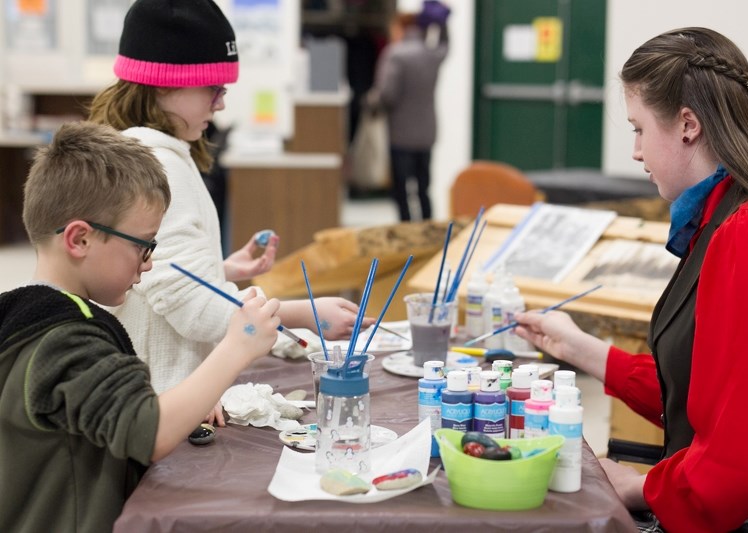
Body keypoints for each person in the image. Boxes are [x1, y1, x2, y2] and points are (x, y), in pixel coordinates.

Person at [514, 27, 748, 532]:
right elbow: (705, 392)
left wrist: (640, 485)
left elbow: (740, 470)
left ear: (688, 125)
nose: (636, 152)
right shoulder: (727, 218)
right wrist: (578, 347)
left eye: (639, 129)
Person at [88, 0, 373, 415]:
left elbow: (157, 278)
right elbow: (193, 309)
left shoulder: (148, 152)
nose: (220, 104)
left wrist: (217, 270)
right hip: (163, 401)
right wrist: (302, 313)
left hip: (166, 393)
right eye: (213, 89)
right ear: (165, 83)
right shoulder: (158, 166)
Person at [0, 121, 281, 532]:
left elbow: (110, 411)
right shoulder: (66, 339)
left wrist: (185, 398)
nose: (148, 263)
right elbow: (149, 433)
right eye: (143, 245)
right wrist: (239, 345)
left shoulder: (27, 316)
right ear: (79, 240)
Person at [367, 1, 449, 221]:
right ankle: (429, 232)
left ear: (400, 27)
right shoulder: (431, 54)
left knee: (402, 189)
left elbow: (388, 95)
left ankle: (406, 232)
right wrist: (441, 24)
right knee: (423, 188)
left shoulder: (396, 55)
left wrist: (372, 100)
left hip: (401, 134)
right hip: (426, 133)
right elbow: (445, 45)